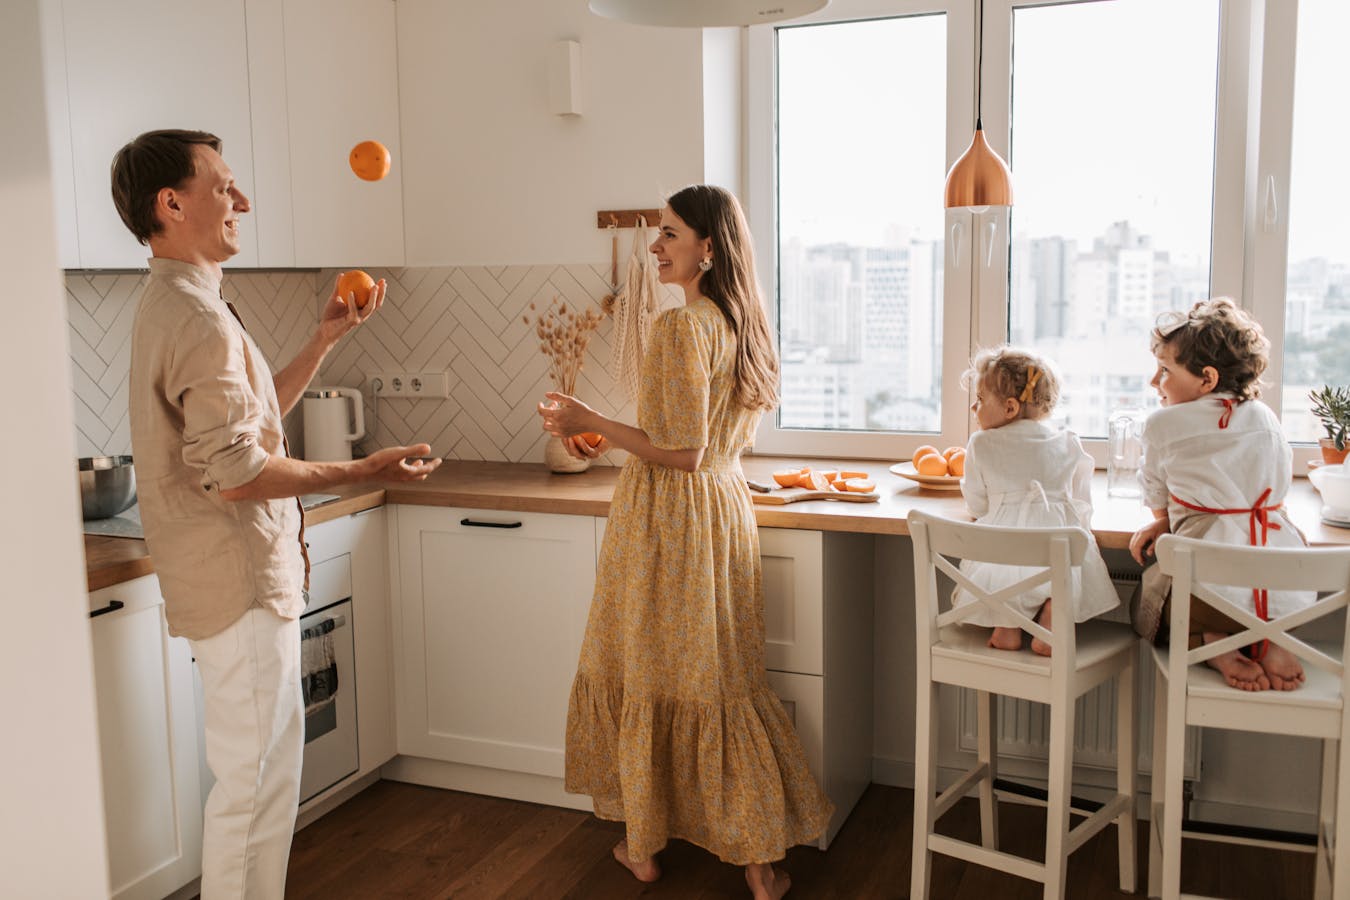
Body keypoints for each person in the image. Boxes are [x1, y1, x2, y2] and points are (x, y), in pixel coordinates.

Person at [110, 128, 440, 899]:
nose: (243, 201)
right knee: (255, 786)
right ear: (173, 202)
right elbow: (238, 473)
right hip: (237, 581)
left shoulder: (187, 300)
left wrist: (324, 340)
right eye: (225, 186)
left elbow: (250, 427)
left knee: (258, 777)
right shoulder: (194, 317)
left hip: (234, 579)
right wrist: (361, 467)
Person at [536, 185, 831, 900]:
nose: (655, 245)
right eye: (657, 233)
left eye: (670, 234)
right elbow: (708, 450)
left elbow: (679, 451)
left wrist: (589, 417)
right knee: (719, 682)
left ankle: (643, 846)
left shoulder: (680, 327)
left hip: (669, 517)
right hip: (721, 514)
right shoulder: (741, 324)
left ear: (708, 246)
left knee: (647, 674)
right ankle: (759, 867)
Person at [1128, 297, 1311, 691]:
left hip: (1207, 592)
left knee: (1145, 605)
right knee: (1247, 587)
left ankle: (1213, 644)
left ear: (1206, 380)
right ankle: (1270, 642)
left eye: (1164, 370)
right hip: (1278, 590)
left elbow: (1155, 490)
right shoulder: (1265, 416)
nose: (1153, 382)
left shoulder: (1163, 424)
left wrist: (1162, 520)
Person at [954, 347, 1119, 655]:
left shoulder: (982, 443)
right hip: (1057, 545)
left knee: (1004, 561)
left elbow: (977, 505)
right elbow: (1082, 501)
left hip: (1006, 550)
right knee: (1063, 567)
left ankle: (1008, 626)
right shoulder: (1067, 441)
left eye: (979, 399)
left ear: (1010, 408)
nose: (974, 408)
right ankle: (1051, 620)